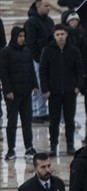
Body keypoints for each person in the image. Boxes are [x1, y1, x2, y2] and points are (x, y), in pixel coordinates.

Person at [38, 24, 85, 155]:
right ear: (54, 36)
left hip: (70, 91)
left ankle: (70, 144)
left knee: (70, 120)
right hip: (54, 92)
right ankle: (53, 145)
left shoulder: (74, 50)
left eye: (62, 34)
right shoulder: (47, 50)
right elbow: (43, 71)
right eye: (57, 34)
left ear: (66, 34)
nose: (60, 37)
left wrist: (78, 86)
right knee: (54, 121)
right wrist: (45, 89)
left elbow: (80, 70)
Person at [0, 26, 38, 161]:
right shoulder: (6, 52)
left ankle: (29, 147)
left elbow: (31, 69)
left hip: (26, 92)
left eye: (23, 36)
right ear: (15, 36)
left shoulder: (27, 51)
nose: (22, 39)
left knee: (27, 122)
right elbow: (3, 73)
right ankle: (11, 149)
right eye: (20, 36)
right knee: (12, 122)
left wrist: (35, 85)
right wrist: (8, 90)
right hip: (13, 95)